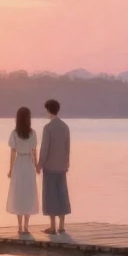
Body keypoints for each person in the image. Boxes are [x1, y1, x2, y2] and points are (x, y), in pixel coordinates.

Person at [6, 106, 40, 233]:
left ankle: (19, 226)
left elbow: (13, 152)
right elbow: (34, 151)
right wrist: (36, 165)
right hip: (28, 164)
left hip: (19, 164)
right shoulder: (33, 133)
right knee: (28, 193)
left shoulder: (14, 133)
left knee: (18, 194)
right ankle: (26, 226)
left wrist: (10, 169)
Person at [39, 99, 70, 234]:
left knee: (50, 195)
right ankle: (62, 226)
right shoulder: (65, 126)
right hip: (62, 166)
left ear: (48, 110)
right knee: (62, 194)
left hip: (50, 166)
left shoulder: (48, 128)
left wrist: (39, 164)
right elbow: (67, 147)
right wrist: (66, 162)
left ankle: (52, 226)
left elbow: (45, 148)